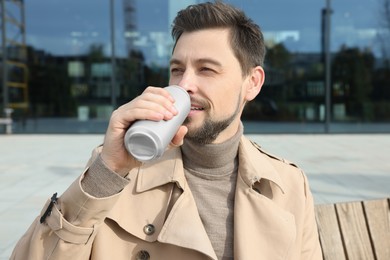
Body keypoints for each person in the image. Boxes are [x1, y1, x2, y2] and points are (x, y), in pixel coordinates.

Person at [11, 1, 322, 259]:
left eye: (206, 70)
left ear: (252, 83)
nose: (184, 85)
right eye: (177, 70)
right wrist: (106, 173)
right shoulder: (117, 172)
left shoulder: (288, 185)